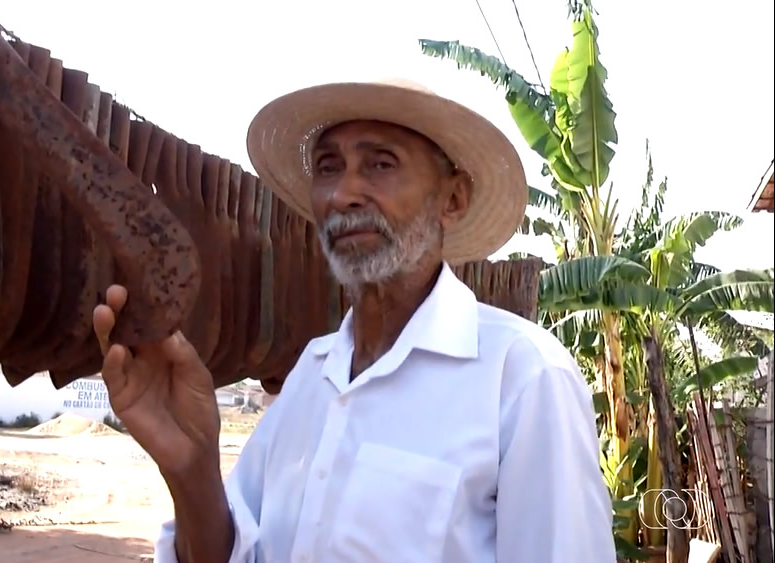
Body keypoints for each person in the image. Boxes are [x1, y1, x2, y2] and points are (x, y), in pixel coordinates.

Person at [92, 79, 616, 562]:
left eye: (381, 164)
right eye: (327, 167)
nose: (343, 194)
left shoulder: (521, 376)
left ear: (452, 199)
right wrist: (191, 468)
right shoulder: (310, 376)